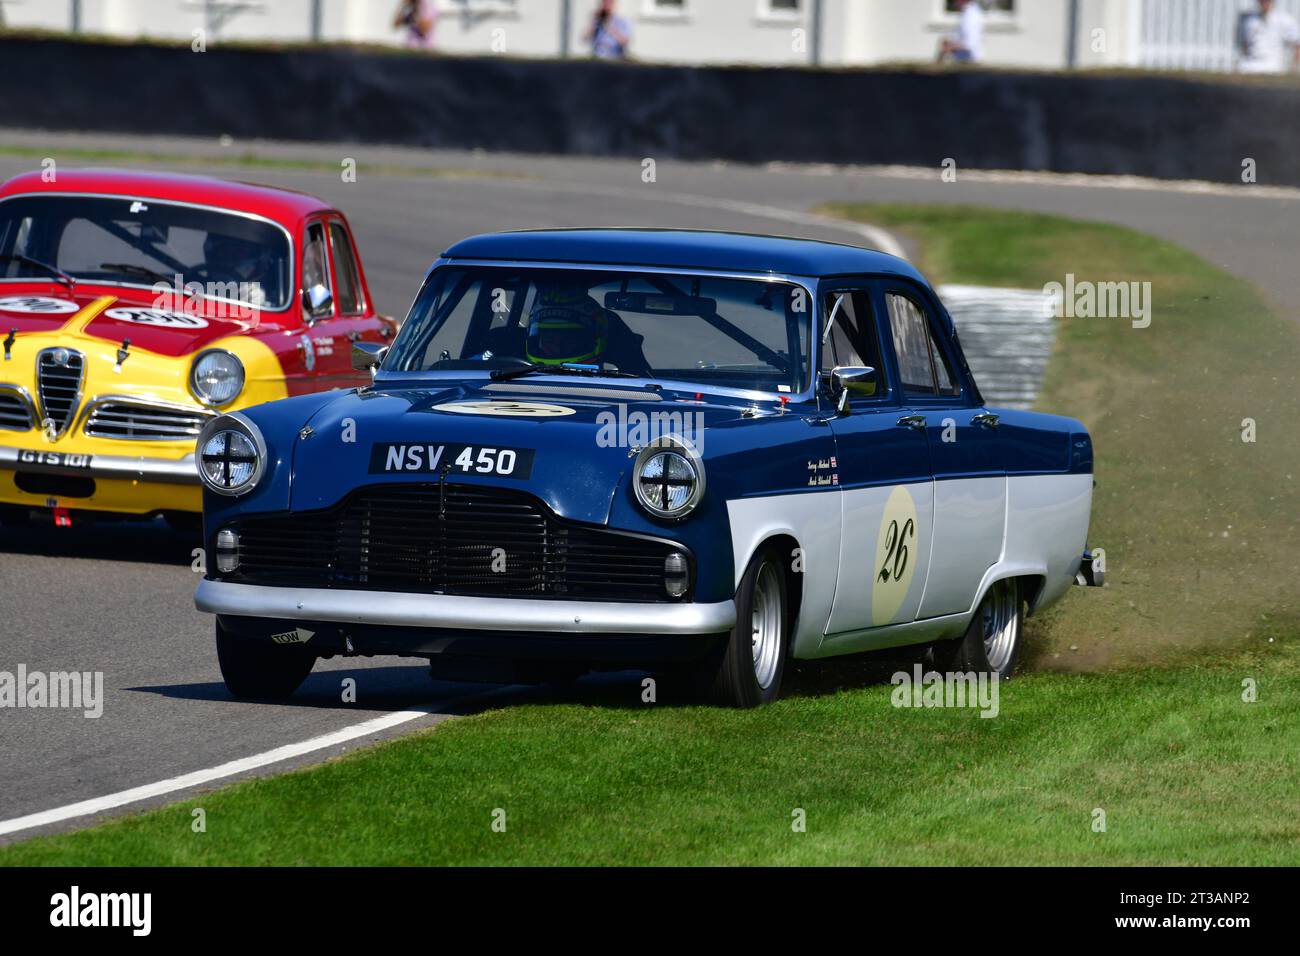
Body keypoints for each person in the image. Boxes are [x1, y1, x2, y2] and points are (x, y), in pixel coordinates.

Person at [525, 280, 610, 366]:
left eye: (569, 340)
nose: (557, 349)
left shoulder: (611, 379)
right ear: (536, 342)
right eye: (549, 340)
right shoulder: (517, 374)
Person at [1237, 0, 1300, 74]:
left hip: (1273, 66)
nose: (1265, 3)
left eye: (1268, 1)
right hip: (1249, 65)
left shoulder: (1284, 19)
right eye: (1262, 1)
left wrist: (1294, 68)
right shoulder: (1248, 20)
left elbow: (1297, 44)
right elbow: (1244, 45)